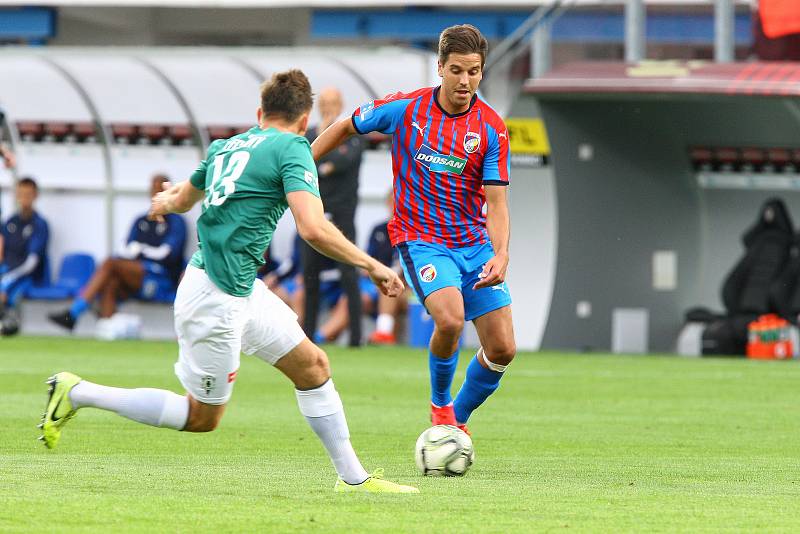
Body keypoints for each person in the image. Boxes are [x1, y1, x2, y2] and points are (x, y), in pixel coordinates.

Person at [39, 69, 418, 494]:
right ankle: (79, 392)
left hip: (239, 290)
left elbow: (182, 199)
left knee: (313, 366)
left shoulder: (227, 145)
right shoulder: (293, 147)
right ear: (304, 118)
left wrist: (167, 199)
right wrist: (373, 265)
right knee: (202, 417)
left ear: (260, 112)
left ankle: (354, 479)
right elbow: (313, 228)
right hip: (215, 297)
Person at [311, 24, 516, 434]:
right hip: (422, 240)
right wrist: (298, 167)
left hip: (472, 244)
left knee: (503, 349)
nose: (465, 80)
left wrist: (501, 252)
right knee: (451, 320)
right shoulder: (406, 109)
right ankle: (440, 407)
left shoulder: (491, 128)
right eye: (456, 70)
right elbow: (346, 125)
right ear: (439, 67)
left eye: (474, 71)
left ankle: (456, 418)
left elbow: (496, 203)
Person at [47, 174, 187, 331]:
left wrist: (141, 249)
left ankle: (74, 312)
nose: (156, 194)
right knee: (111, 281)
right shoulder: (142, 220)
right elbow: (125, 248)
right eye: (153, 189)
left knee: (110, 264)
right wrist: (134, 251)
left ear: (169, 192)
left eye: (159, 190)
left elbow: (166, 253)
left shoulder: (176, 222)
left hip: (161, 279)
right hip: (137, 275)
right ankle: (108, 332)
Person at [303, 87, 365, 347]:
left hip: (342, 214)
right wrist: (324, 162)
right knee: (309, 274)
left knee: (348, 273)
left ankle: (356, 338)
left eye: (332, 103)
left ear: (340, 104)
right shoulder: (308, 135)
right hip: (312, 212)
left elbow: (344, 160)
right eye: (324, 103)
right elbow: (304, 161)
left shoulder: (352, 132)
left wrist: (325, 164)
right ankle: (306, 336)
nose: (327, 107)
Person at [0, 177, 49, 336]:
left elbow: (31, 263)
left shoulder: (40, 224)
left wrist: (7, 279)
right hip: (7, 270)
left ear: (35, 196)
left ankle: (9, 323)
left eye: (28, 194)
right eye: (21, 194)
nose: (24, 198)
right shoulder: (11, 222)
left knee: (6, 289)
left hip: (28, 276)